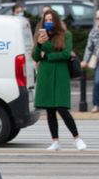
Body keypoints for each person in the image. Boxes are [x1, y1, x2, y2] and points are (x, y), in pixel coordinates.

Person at [34, 9, 86, 151]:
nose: (48, 22)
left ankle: (77, 138)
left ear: (56, 21)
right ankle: (55, 141)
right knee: (50, 110)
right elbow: (35, 56)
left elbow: (66, 54)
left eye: (51, 20)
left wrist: (48, 55)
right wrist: (39, 45)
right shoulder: (41, 35)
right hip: (46, 74)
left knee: (62, 108)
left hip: (61, 73)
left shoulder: (65, 35)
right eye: (46, 20)